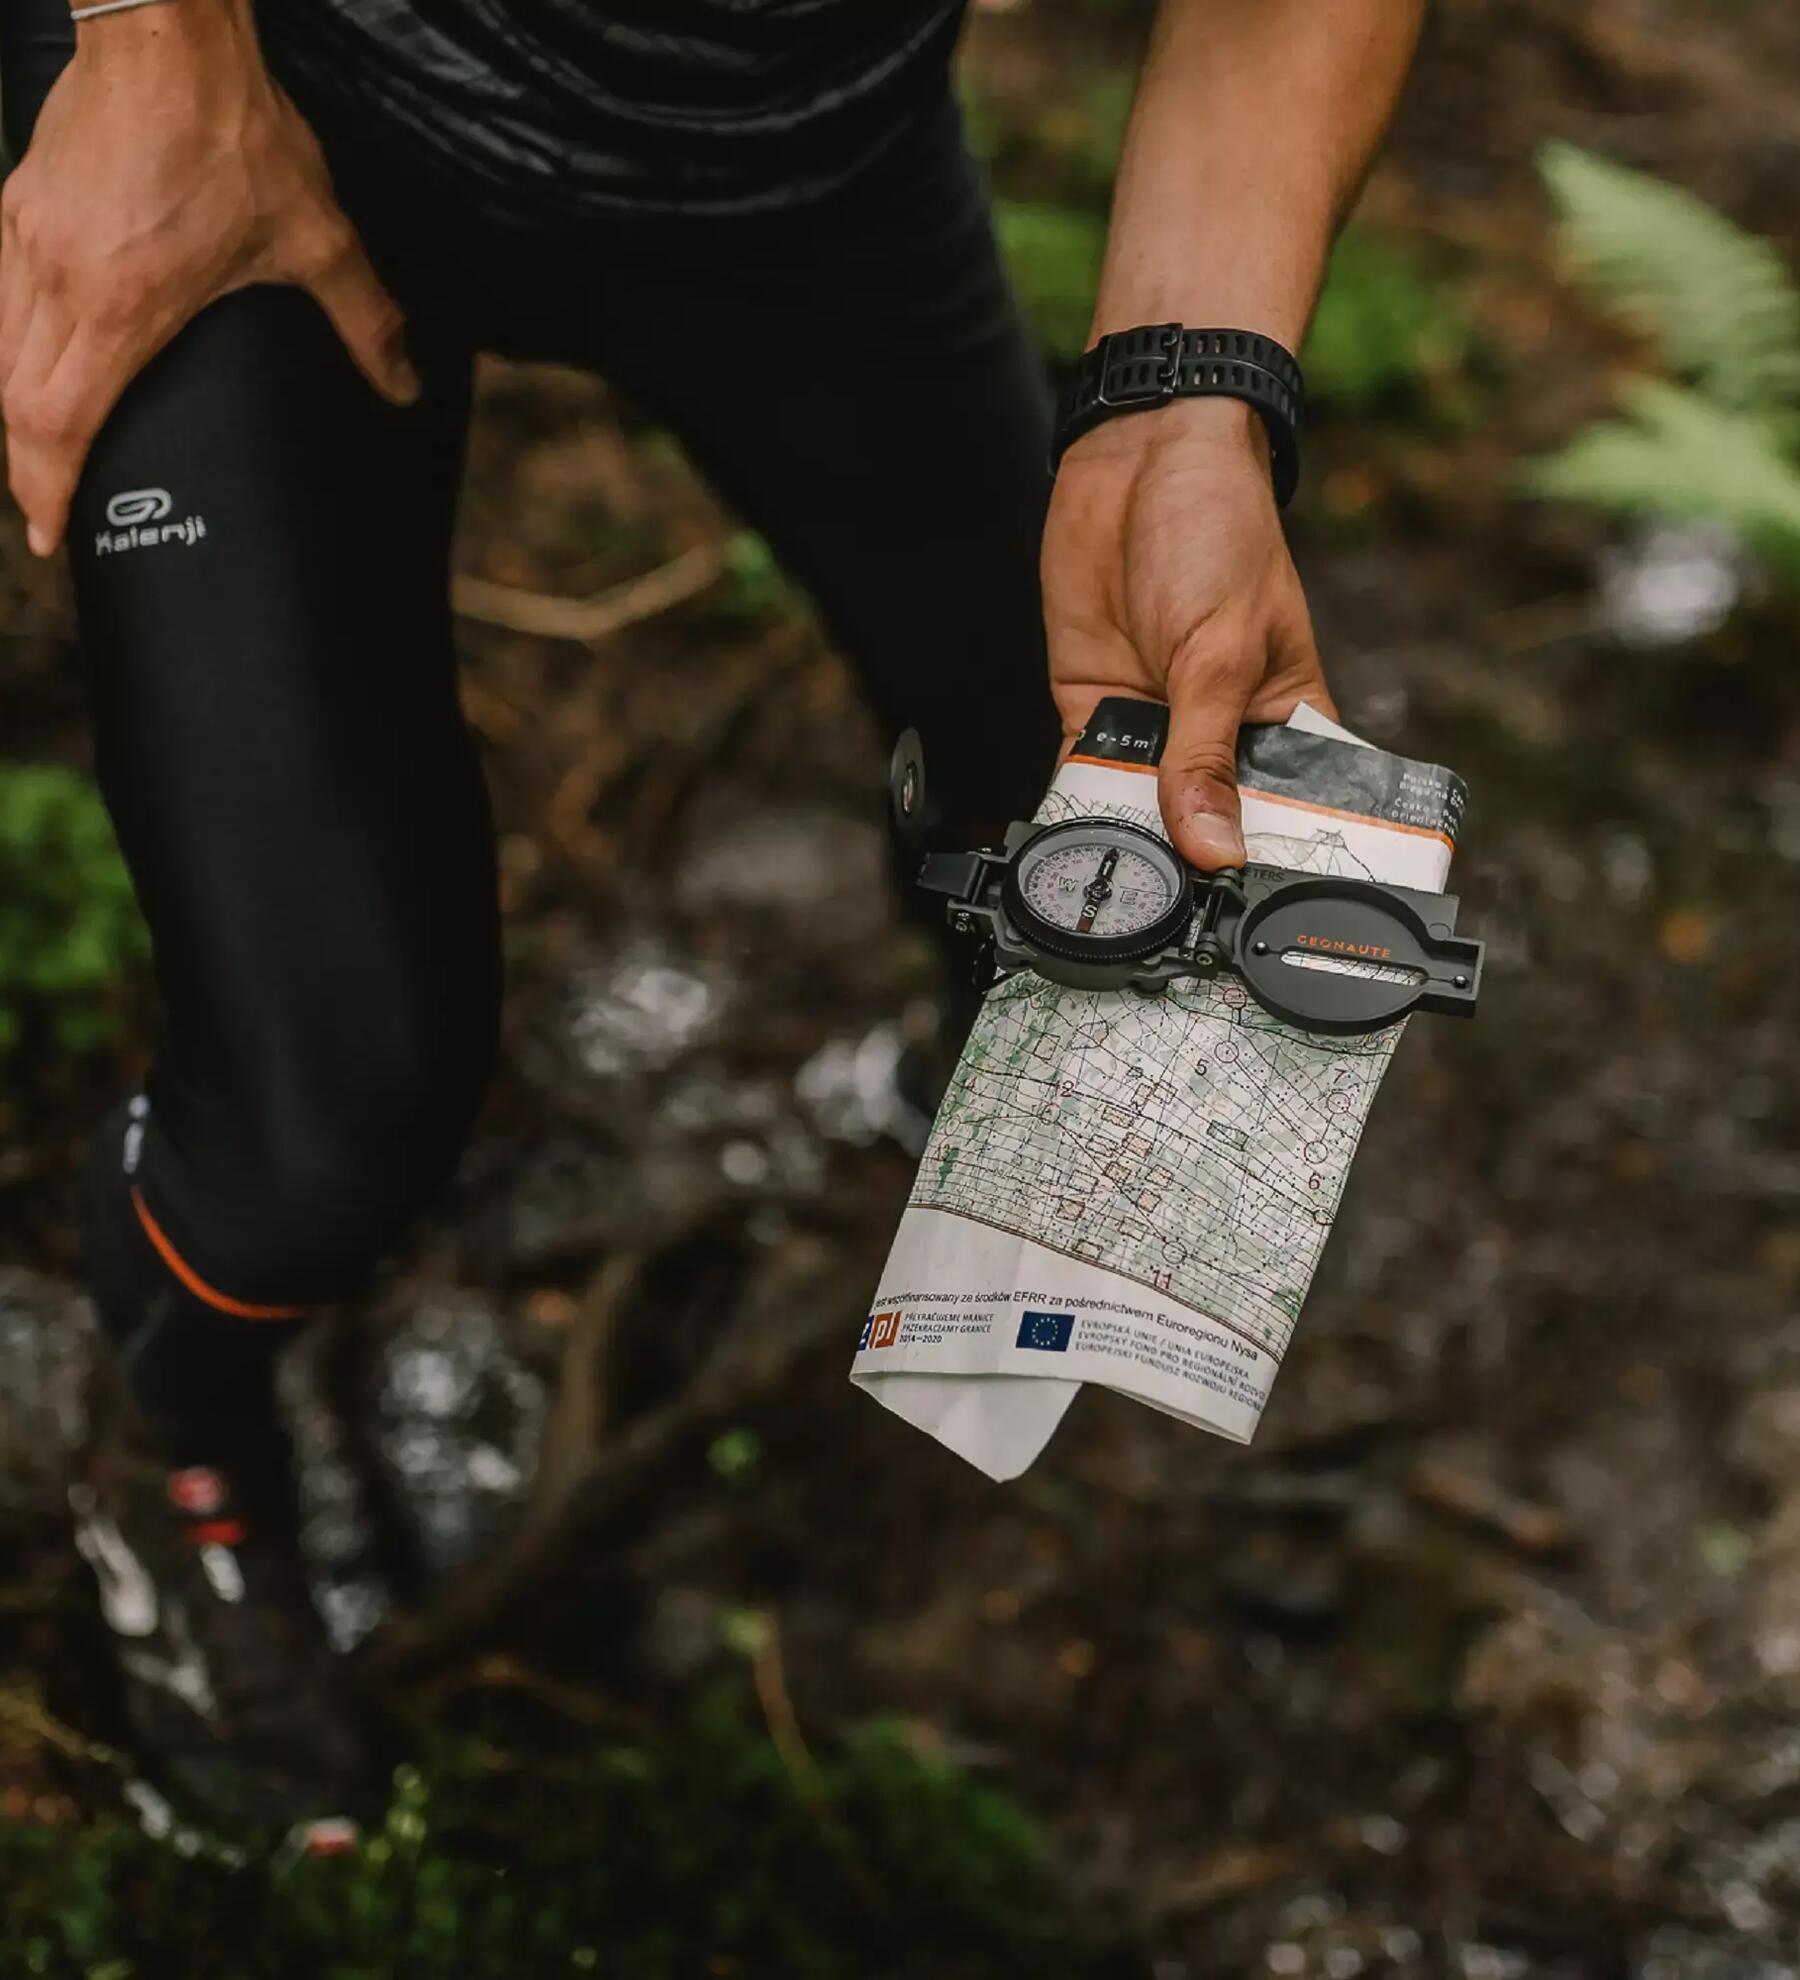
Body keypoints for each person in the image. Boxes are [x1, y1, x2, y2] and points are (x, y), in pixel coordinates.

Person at [0, 0, 1424, 1843]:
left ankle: (920, 1129)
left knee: (1124, 907)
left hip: (804, 172)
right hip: (273, 78)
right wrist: (148, 50)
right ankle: (169, 1444)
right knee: (324, 1122)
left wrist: (1192, 392)